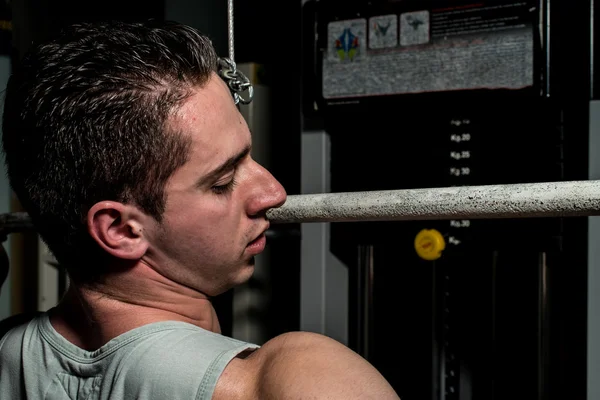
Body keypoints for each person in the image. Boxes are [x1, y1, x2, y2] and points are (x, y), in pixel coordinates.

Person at [0, 19, 400, 399]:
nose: (273, 192)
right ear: (121, 230)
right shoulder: (293, 380)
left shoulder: (8, 353)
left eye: (248, 156)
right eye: (222, 181)